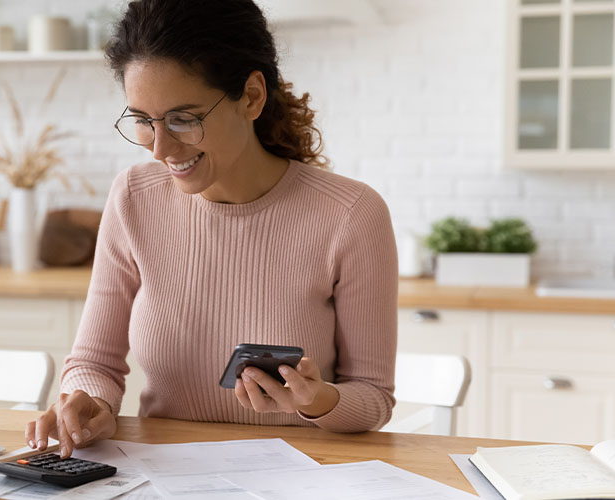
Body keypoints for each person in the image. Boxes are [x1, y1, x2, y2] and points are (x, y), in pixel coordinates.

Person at [26, 0, 398, 458]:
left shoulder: (351, 214)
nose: (160, 148)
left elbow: (373, 398)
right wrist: (89, 402)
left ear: (252, 97)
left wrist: (316, 400)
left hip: (300, 473)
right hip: (163, 473)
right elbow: (94, 361)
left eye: (184, 119)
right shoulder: (134, 198)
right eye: (143, 121)